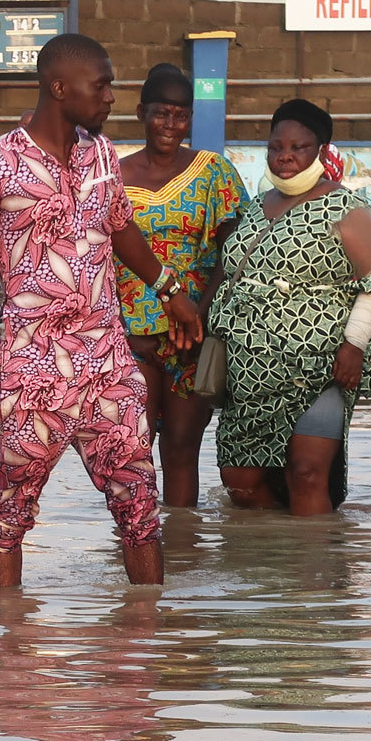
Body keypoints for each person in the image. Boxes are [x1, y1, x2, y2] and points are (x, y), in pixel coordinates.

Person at [0, 33, 202, 588]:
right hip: (31, 371)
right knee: (10, 514)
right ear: (60, 87)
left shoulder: (101, 155)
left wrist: (169, 289)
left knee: (140, 511)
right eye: (101, 86)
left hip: (108, 364)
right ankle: (11, 652)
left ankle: (142, 650)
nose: (111, 97)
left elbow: (120, 226)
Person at [206, 99, 371, 516]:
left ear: (320, 151)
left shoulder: (346, 208)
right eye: (276, 146)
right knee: (240, 483)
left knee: (306, 473)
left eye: (298, 147)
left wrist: (353, 344)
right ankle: (269, 566)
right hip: (248, 369)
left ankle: (312, 572)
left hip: (320, 365)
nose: (285, 155)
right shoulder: (255, 206)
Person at [115, 64, 247, 508]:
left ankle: (183, 556)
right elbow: (95, 259)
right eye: (160, 114)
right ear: (141, 113)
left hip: (195, 334)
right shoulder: (112, 175)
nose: (170, 125)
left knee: (181, 451)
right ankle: (137, 558)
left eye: (180, 115)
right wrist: (123, 330)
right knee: (131, 453)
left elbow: (235, 254)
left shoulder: (214, 173)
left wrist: (201, 320)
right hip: (131, 335)